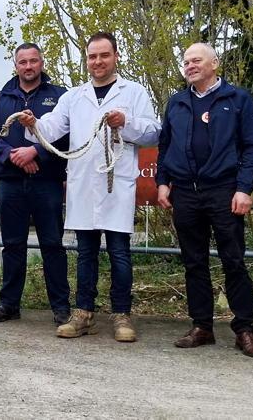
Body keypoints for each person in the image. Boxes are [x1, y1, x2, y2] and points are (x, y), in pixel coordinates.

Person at [19, 32, 160, 342]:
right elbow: (52, 127)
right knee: (85, 253)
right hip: (83, 184)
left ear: (116, 57)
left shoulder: (134, 92)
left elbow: (153, 132)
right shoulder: (74, 96)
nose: (98, 62)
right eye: (93, 56)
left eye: (104, 55)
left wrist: (125, 121)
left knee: (120, 252)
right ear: (87, 60)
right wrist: (33, 124)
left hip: (116, 184)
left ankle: (122, 314)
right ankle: (83, 313)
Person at [156, 43, 253, 358]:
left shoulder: (238, 99)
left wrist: (244, 188)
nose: (189, 66)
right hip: (185, 192)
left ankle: (244, 329)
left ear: (214, 63)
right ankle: (202, 326)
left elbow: (252, 147)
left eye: (196, 60)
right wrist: (162, 183)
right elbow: (165, 146)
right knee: (194, 262)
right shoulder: (177, 102)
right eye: (185, 62)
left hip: (224, 190)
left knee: (234, 261)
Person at [0, 42, 72, 327]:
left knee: (52, 245)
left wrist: (37, 153)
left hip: (47, 183)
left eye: (33, 61)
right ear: (16, 65)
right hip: (11, 183)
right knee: (12, 246)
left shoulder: (59, 96)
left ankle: (61, 307)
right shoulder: (3, 98)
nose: (29, 66)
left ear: (41, 63)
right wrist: (12, 156)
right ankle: (9, 305)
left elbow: (68, 136)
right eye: (23, 62)